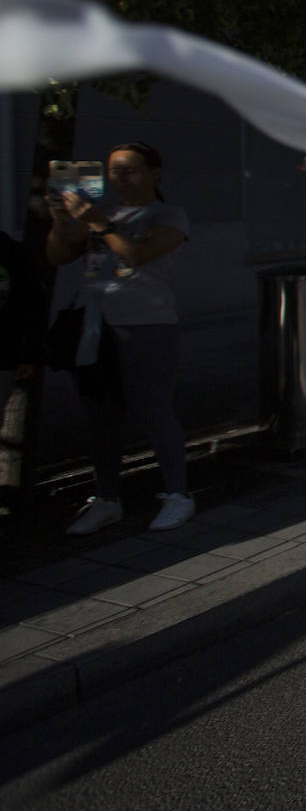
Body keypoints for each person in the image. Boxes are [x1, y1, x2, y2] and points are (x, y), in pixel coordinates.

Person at [45, 141, 195, 535]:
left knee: (154, 409)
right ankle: (108, 498)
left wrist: (99, 222)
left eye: (130, 169)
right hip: (93, 323)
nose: (121, 179)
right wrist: (61, 220)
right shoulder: (104, 212)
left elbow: (136, 255)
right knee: (99, 414)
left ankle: (178, 494)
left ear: (154, 173)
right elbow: (59, 256)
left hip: (146, 323)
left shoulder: (168, 214)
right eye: (114, 171)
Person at [0, 230, 46, 518]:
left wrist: (29, 353)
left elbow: (32, 304)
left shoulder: (12, 252)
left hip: (4, 355)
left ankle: (7, 499)